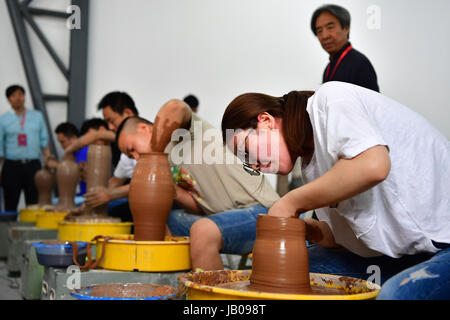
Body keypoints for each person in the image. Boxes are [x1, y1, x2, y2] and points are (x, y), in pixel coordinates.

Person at [221, 81, 450, 299]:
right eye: (245, 162)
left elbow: (373, 166)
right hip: (399, 255)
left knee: (396, 295)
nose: (254, 165)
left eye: (246, 152)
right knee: (294, 275)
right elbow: (347, 238)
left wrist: (290, 202)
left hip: (440, 244)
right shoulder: (310, 165)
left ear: (265, 121)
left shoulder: (330, 100)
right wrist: (309, 230)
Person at [115, 99, 279, 271]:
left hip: (262, 212)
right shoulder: (167, 163)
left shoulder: (181, 135)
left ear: (144, 128)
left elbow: (175, 106)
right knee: (163, 220)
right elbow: (201, 208)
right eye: (130, 155)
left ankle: (211, 294)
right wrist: (172, 191)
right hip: (223, 220)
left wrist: (154, 153)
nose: (134, 157)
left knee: (202, 231)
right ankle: (162, 279)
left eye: (131, 148)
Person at [63, 92, 139, 221]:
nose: (110, 127)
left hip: (165, 203)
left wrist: (110, 194)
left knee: (121, 212)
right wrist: (84, 206)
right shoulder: (127, 150)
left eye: (111, 120)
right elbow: (114, 182)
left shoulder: (150, 139)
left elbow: (152, 184)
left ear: (127, 113)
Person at [0, 85, 51, 211]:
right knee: (10, 202)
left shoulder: (37, 116)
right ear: (8, 99)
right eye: (13, 96)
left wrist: (48, 159)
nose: (17, 98)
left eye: (20, 94)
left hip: (33, 165)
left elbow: (44, 140)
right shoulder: (3, 119)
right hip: (12, 166)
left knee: (34, 203)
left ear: (24, 97)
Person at [311, 4, 379, 92]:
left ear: (346, 28)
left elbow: (373, 104)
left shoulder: (359, 63)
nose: (324, 36)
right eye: (319, 31)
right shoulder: (328, 68)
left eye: (330, 27)